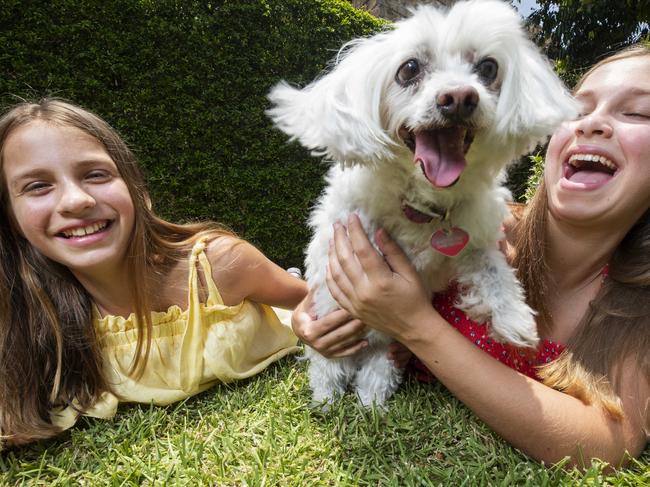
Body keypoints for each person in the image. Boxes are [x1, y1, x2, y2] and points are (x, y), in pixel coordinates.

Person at [292, 44, 650, 467]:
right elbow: (344, 259)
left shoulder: (637, 306)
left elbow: (607, 446)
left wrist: (414, 326)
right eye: (576, 110)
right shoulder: (473, 222)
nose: (592, 124)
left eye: (637, 114)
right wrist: (308, 314)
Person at [0, 99, 307, 447]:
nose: (75, 200)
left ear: (138, 192)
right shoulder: (28, 319)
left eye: (96, 174)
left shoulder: (221, 266)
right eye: (37, 186)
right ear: (11, 217)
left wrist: (320, 324)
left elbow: (321, 305)